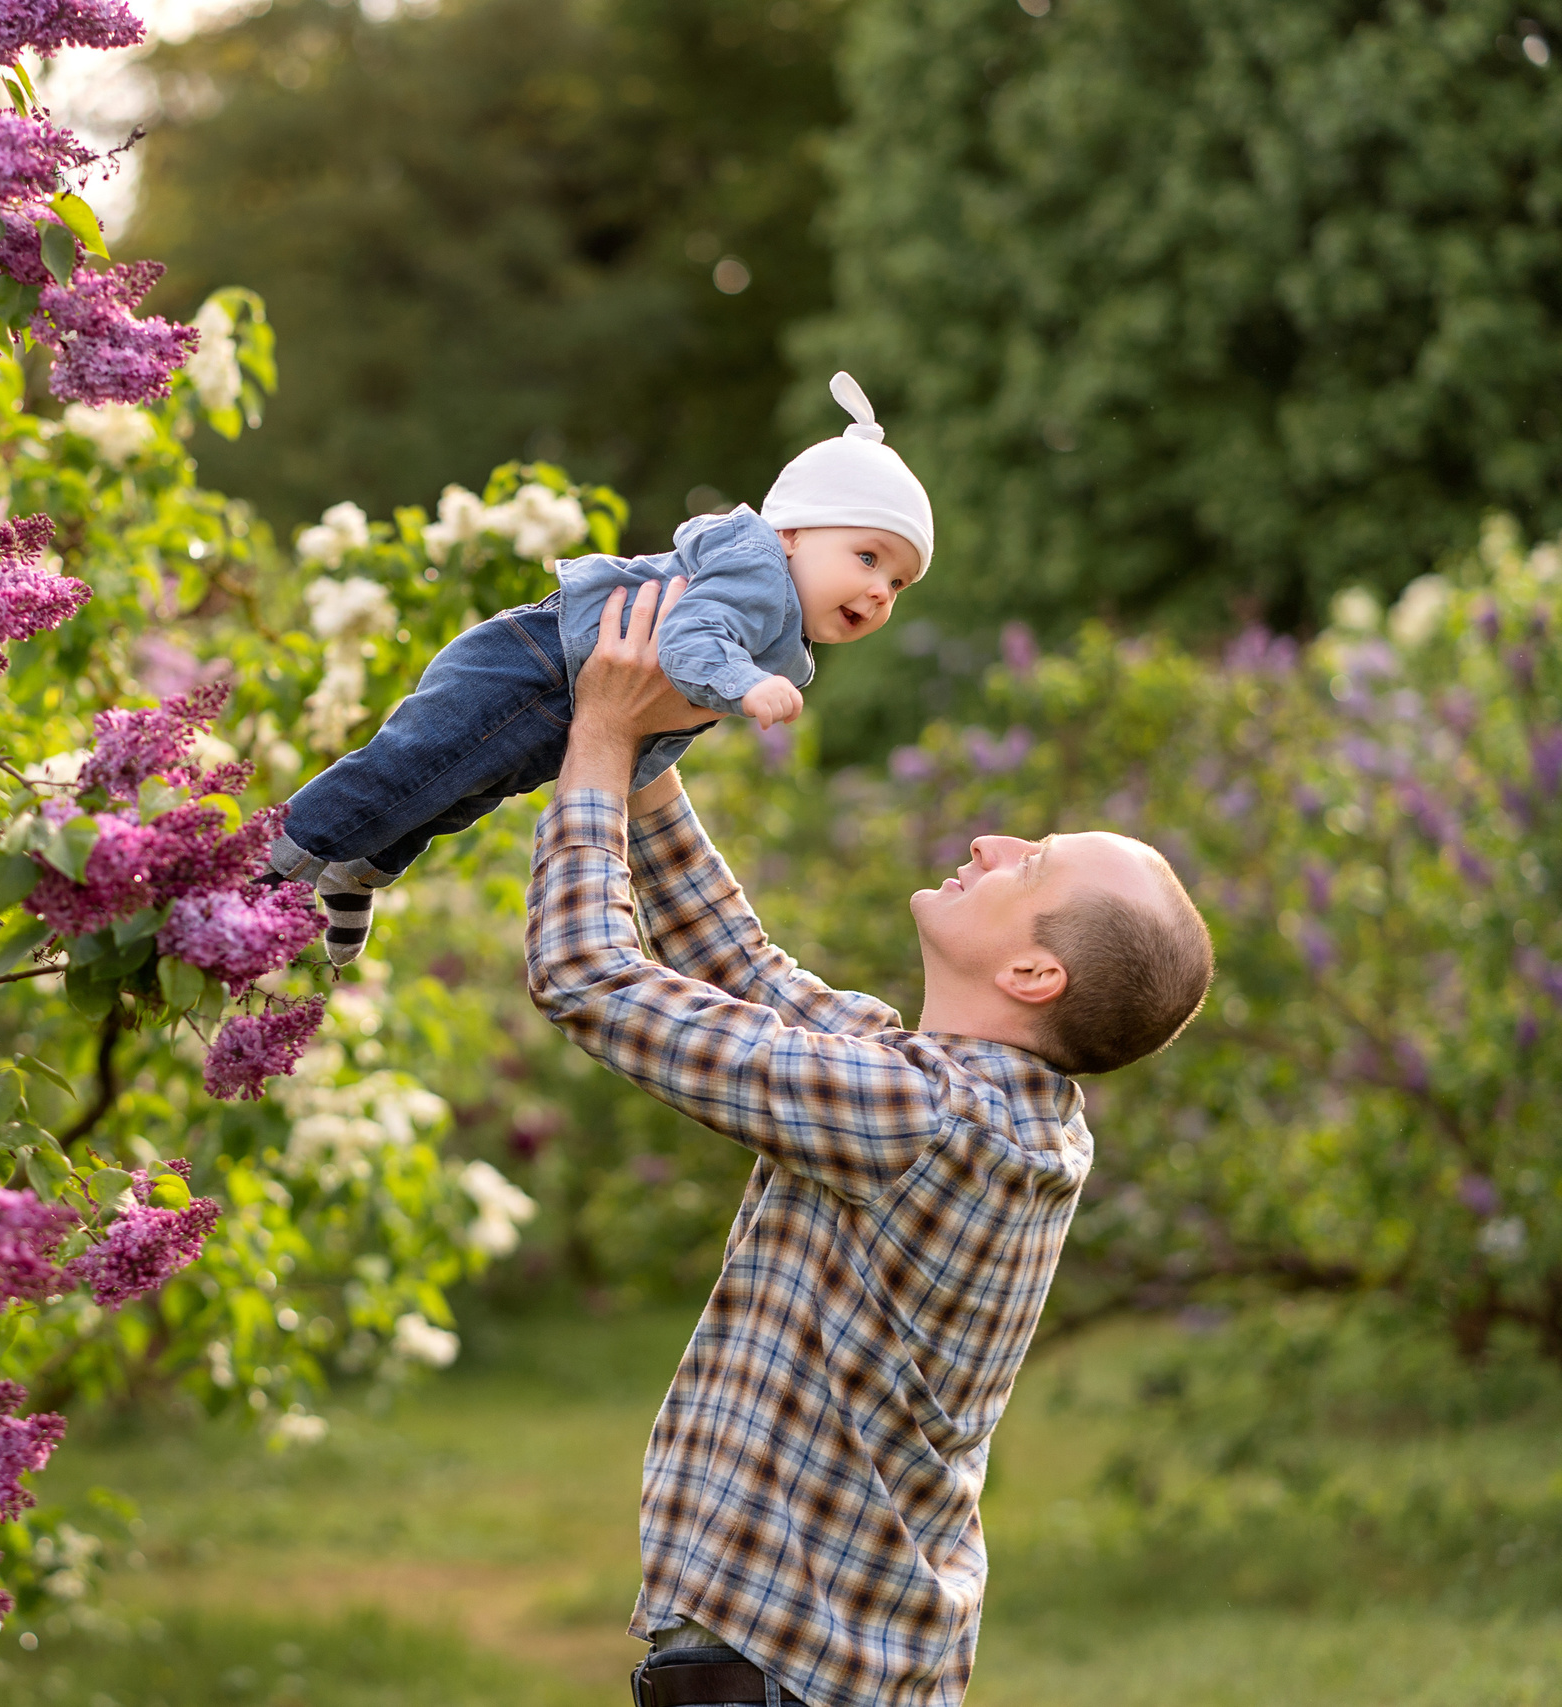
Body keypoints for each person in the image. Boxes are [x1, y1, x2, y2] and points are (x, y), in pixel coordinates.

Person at [526, 580, 1214, 1707]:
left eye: (1028, 861)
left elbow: (587, 980)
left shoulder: (917, 1117)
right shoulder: (975, 1104)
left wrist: (599, 739)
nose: (990, 841)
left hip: (787, 1675)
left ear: (1034, 975)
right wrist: (650, 741)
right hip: (837, 1670)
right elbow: (738, 970)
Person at [269, 373, 930, 967]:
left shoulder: (783, 625)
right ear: (792, 532)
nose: (880, 592)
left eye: (899, 583)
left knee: (455, 795)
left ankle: (359, 870)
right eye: (869, 557)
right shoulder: (759, 568)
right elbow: (687, 640)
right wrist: (747, 683)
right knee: (414, 764)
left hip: (564, 707)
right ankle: (270, 865)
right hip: (536, 661)